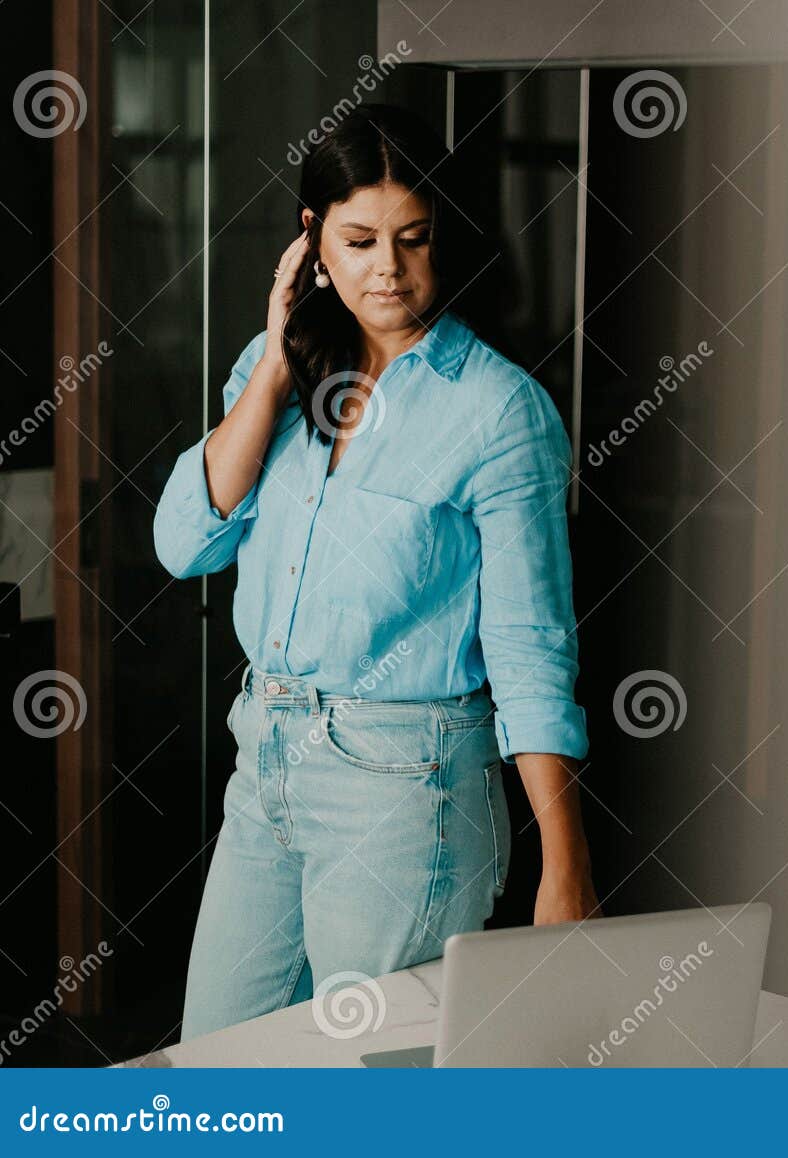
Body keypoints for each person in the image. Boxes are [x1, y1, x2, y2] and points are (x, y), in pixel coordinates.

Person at [153, 104, 600, 1041]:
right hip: (264, 767)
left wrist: (565, 861)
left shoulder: (497, 410)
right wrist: (275, 368)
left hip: (406, 793)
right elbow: (185, 545)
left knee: (367, 1092)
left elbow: (529, 647)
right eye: (358, 241)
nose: (388, 269)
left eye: (413, 239)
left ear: (445, 239)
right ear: (313, 239)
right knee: (218, 1067)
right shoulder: (271, 370)